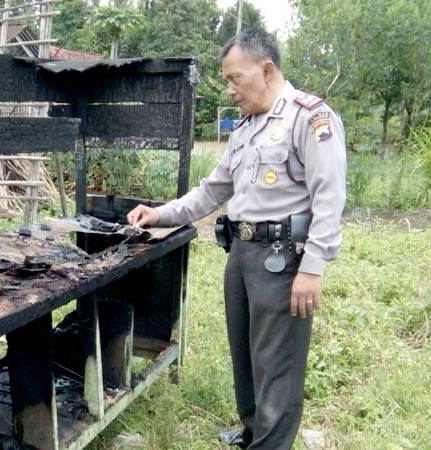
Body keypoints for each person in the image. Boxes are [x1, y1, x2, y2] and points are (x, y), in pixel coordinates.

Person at [126, 28, 346, 450]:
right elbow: (212, 190)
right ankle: (253, 431)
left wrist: (313, 268)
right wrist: (160, 214)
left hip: (284, 260)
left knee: (277, 364)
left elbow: (330, 197)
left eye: (234, 78)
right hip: (242, 254)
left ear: (266, 70)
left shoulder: (310, 118)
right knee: (246, 355)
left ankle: (271, 443)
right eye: (226, 80)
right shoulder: (246, 129)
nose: (229, 89)